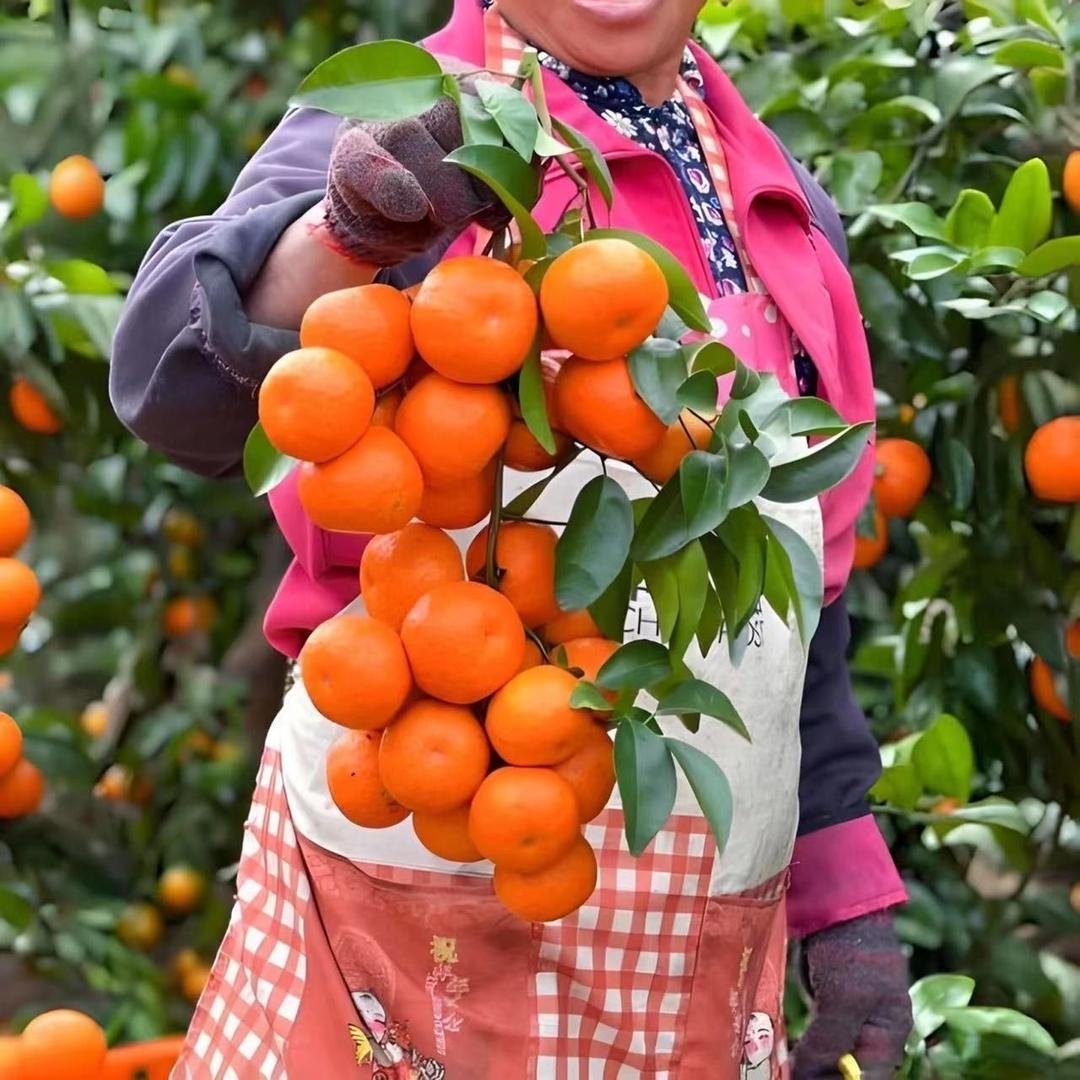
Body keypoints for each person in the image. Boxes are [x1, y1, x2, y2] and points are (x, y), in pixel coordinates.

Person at [111, 1, 914, 1076]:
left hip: (692, 929)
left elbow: (797, 602)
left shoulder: (778, 200)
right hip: (413, 856)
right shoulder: (411, 120)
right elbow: (169, 386)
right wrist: (348, 235)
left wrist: (844, 894)